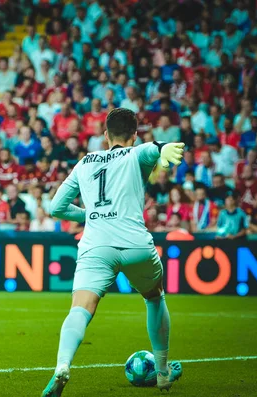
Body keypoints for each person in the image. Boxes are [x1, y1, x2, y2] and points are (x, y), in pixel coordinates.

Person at [43, 108, 184, 396]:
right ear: (134, 134)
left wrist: (91, 214)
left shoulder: (85, 162)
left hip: (97, 245)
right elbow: (153, 150)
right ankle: (162, 371)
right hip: (136, 245)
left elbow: (55, 207)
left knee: (80, 309)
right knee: (154, 298)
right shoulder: (136, 153)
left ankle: (61, 366)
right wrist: (164, 148)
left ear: (105, 135)